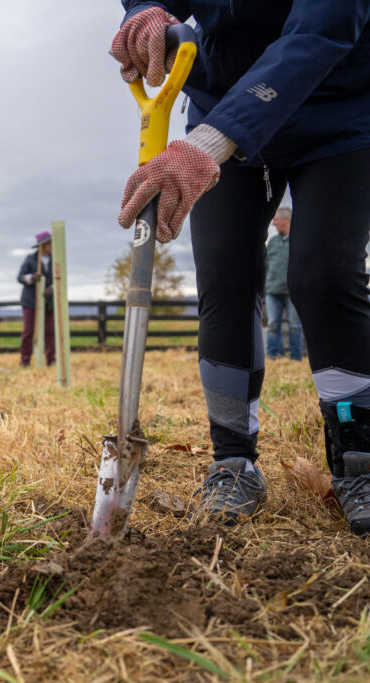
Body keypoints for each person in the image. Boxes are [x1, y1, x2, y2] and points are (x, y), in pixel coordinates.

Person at [110, 2, 370, 534]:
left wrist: (209, 142)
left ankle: (358, 462)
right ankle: (232, 461)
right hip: (220, 96)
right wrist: (144, 8)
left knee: (324, 278)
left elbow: (322, 28)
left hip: (338, 109)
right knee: (224, 283)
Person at [264, 207, 304, 361]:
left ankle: (296, 359)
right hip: (272, 291)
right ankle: (273, 356)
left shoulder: (298, 241)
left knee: (295, 326)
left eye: (276, 219)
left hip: (293, 292)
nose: (273, 223)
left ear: (286, 219)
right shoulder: (272, 242)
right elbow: (265, 265)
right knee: (273, 325)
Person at [16, 231, 55, 367]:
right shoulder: (30, 259)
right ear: (42, 245)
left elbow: (59, 278)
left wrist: (52, 288)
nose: (51, 246)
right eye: (49, 243)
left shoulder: (56, 259)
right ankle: (25, 361)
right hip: (31, 301)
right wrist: (31, 277)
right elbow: (20, 277)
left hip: (48, 301)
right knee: (28, 332)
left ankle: (51, 359)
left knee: (50, 332)